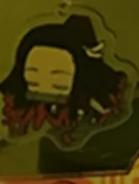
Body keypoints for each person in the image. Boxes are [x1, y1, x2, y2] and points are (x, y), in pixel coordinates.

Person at [1, 14, 127, 145]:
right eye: (33, 82)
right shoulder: (21, 118)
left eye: (58, 84)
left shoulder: (98, 113)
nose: (46, 92)